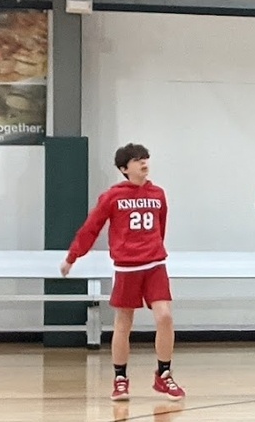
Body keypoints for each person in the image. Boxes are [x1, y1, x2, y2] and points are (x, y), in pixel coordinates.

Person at [62, 143, 184, 403]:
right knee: (123, 323)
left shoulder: (158, 194)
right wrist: (73, 256)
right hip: (127, 267)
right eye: (137, 160)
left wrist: (154, 250)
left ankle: (163, 375)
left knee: (164, 317)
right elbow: (91, 228)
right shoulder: (112, 196)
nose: (144, 163)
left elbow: (160, 228)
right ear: (123, 168)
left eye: (145, 158)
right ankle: (120, 378)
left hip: (154, 266)